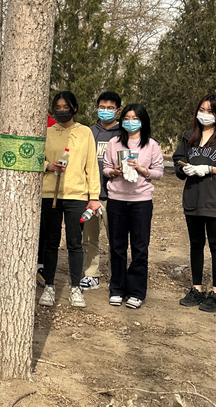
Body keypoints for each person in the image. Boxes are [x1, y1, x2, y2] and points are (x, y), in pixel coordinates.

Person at [172, 94, 216, 313]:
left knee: (215, 245)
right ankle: (196, 289)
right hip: (193, 198)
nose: (205, 115)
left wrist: (209, 169)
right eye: (202, 110)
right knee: (195, 244)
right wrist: (184, 168)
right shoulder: (189, 137)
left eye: (210, 111)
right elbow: (177, 162)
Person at [38, 91, 101, 309]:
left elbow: (92, 166)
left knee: (75, 243)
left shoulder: (85, 133)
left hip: (77, 196)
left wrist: (94, 197)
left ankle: (75, 287)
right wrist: (48, 166)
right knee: (50, 242)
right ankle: (49, 285)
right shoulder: (46, 132)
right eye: (58, 107)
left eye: (67, 107)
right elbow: (36, 159)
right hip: (50, 195)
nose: (62, 111)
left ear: (74, 108)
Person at [101, 103, 164, 310]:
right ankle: (117, 288)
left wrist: (142, 169)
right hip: (117, 199)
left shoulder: (152, 145)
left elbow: (159, 173)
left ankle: (136, 291)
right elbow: (106, 168)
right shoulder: (114, 143)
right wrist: (114, 172)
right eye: (126, 118)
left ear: (143, 121)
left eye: (134, 118)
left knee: (139, 247)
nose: (130, 122)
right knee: (117, 246)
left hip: (141, 201)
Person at [81, 91, 122, 291]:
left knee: (116, 238)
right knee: (89, 238)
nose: (105, 111)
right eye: (102, 107)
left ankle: (117, 277)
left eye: (110, 108)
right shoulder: (88, 132)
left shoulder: (123, 134)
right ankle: (91, 274)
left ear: (118, 110)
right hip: (90, 195)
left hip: (115, 195)